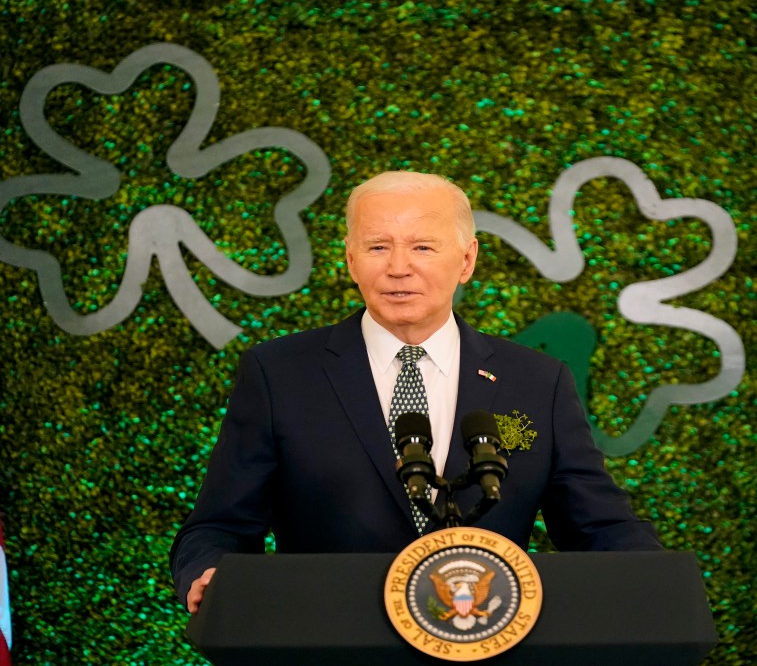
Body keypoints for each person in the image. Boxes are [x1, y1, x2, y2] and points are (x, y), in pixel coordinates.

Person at [170, 171, 661, 612]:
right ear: (350, 259)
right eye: (378, 246)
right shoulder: (278, 373)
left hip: (488, 643)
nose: (399, 267)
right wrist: (210, 571)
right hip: (327, 640)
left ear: (466, 260)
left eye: (423, 247)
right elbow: (220, 525)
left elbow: (598, 525)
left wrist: (661, 580)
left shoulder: (537, 381)